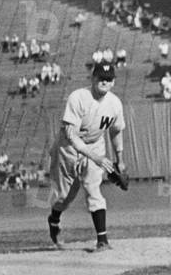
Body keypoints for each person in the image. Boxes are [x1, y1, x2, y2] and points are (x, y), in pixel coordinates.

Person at [47, 62, 125, 252]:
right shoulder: (78, 97)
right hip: (68, 148)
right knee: (64, 197)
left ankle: (102, 240)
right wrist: (96, 158)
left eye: (108, 79)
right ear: (93, 78)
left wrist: (120, 159)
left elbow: (116, 131)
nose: (104, 82)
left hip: (95, 145)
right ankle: (54, 219)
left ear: (113, 82)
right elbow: (72, 135)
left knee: (93, 188)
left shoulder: (114, 103)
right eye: (101, 78)